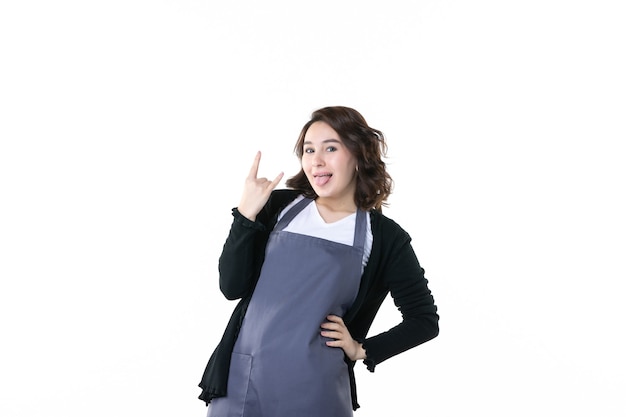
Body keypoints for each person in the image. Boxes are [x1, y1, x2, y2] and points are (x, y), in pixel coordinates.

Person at [198, 106, 439, 416]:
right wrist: (245, 216)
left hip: (317, 389)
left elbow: (423, 320)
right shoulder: (277, 207)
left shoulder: (383, 237)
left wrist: (360, 349)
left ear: (359, 153)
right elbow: (231, 287)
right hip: (242, 382)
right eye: (309, 150)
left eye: (331, 148)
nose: (316, 160)